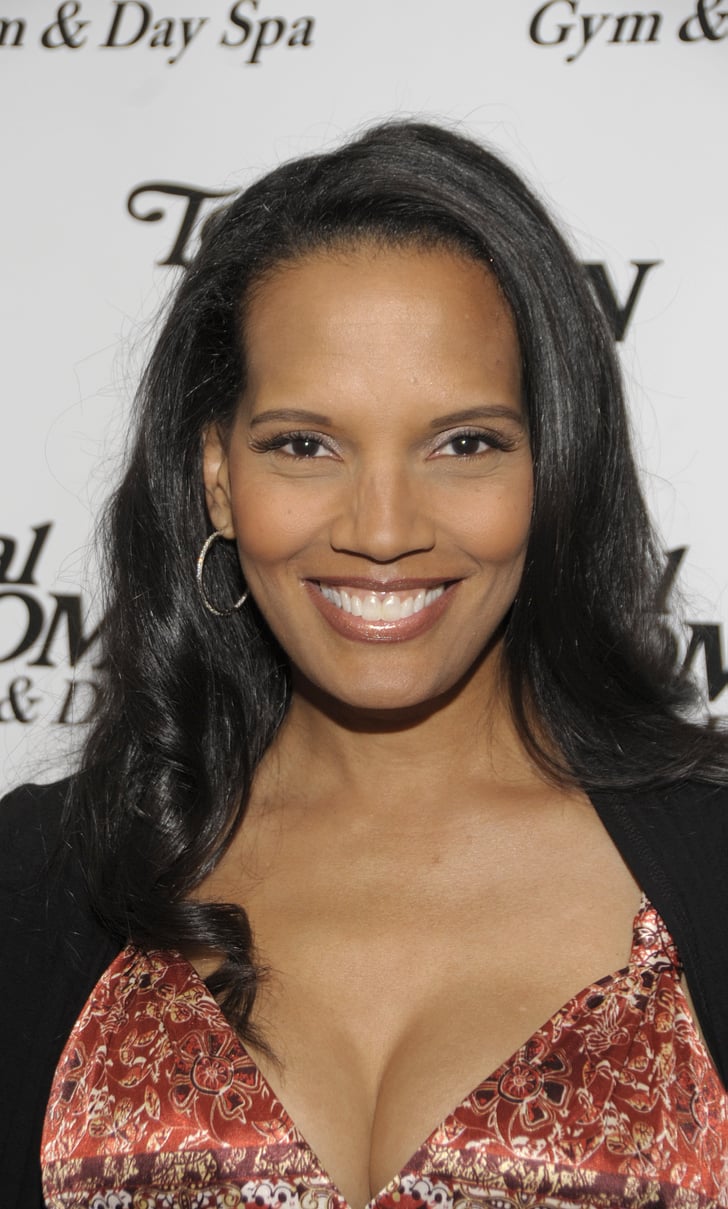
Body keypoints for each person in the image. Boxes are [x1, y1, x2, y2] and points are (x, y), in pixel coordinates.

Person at [2, 120, 728, 1209]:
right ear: (216, 476)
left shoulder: (713, 864)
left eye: (463, 443)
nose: (382, 530)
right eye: (305, 445)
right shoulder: (38, 877)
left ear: (552, 466)